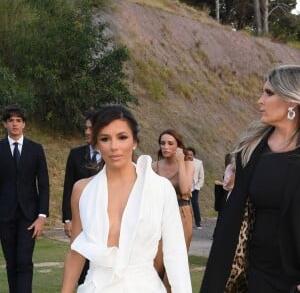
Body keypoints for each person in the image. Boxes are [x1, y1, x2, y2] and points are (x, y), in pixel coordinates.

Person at [61, 105, 192, 293]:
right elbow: (76, 251)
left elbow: (175, 255)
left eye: (122, 137)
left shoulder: (160, 189)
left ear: (134, 142)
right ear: (96, 144)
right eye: (105, 139)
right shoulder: (82, 190)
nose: (114, 146)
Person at [200, 64, 300, 293]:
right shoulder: (251, 150)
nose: (260, 100)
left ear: (292, 101)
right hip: (256, 271)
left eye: (269, 93)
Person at [0, 104, 50, 293]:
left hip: (29, 217)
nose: (14, 124)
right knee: (11, 263)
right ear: (5, 124)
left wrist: (42, 216)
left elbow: (44, 185)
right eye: (11, 120)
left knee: (24, 261)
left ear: (24, 124)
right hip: (4, 217)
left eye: (18, 121)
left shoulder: (35, 149)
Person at [62, 110, 101, 285]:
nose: (87, 132)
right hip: (80, 219)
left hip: (104, 220)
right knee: (80, 261)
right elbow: (69, 187)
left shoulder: (114, 157)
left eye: (91, 128)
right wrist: (68, 219)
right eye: (85, 128)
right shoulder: (75, 154)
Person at [152, 129, 194, 292]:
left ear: (178, 146)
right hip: (159, 215)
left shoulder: (188, 165)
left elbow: (184, 189)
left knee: (175, 264)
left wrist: (181, 162)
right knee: (156, 261)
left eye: (170, 143)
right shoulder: (154, 166)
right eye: (162, 143)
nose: (165, 147)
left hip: (181, 213)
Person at [185, 147, 205, 229]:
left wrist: (198, 186)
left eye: (191, 154)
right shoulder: (182, 162)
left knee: (195, 204)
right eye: (188, 154)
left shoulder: (199, 163)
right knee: (185, 205)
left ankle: (198, 222)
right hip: (185, 187)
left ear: (193, 155)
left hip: (195, 187)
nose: (189, 156)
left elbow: (201, 176)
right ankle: (185, 223)